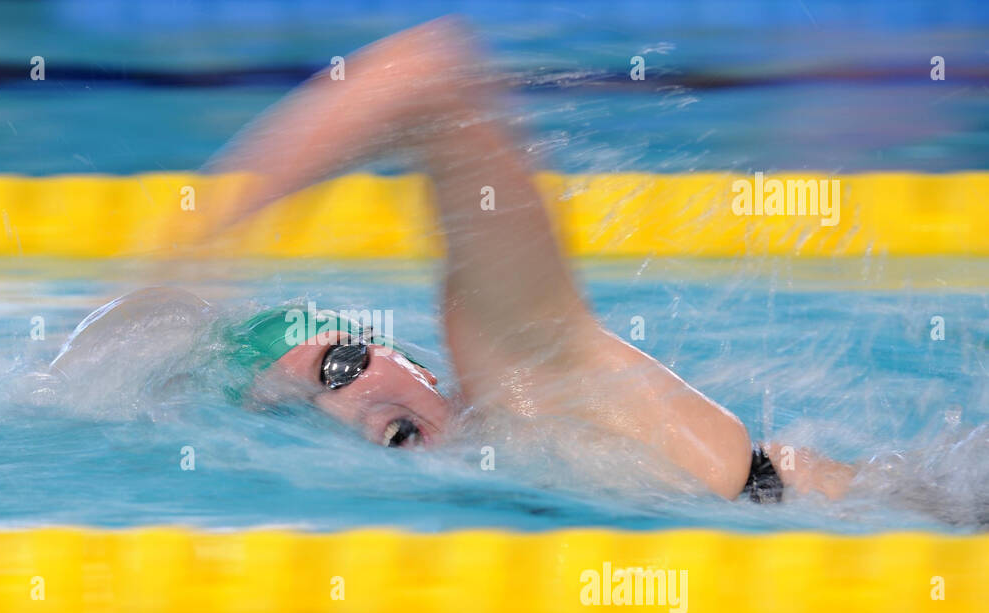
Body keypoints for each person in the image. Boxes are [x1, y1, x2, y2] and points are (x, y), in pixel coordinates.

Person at [53, 17, 858, 503]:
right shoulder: (469, 497)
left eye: (339, 366)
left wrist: (189, 254)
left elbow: (430, 73)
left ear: (409, 360)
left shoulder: (527, 384)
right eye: (298, 419)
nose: (346, 410)